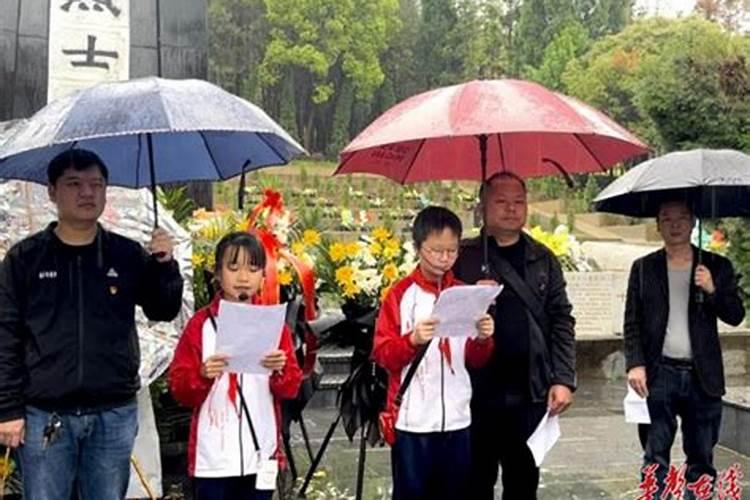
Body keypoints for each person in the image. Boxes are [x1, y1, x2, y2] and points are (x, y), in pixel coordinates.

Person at [0, 148, 184, 500]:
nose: (87, 193)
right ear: (53, 192)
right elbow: (5, 336)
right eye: (74, 183)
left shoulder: (127, 255)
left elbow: (163, 309)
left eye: (96, 184)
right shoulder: (25, 259)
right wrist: (7, 409)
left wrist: (164, 266)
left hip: (112, 413)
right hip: (45, 415)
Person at [453, 172, 576, 500]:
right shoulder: (461, 257)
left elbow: (561, 319)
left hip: (529, 393)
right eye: (501, 201)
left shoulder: (543, 258)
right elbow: (440, 318)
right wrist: (469, 297)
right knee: (473, 484)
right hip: (473, 396)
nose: (511, 209)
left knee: (522, 485)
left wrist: (563, 378)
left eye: (519, 202)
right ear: (483, 205)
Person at [372, 206, 495, 500]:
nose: (444, 259)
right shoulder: (401, 295)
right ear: (417, 248)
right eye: (436, 250)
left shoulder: (464, 294)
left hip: (457, 417)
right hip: (413, 420)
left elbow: (476, 360)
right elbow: (382, 354)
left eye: (451, 251)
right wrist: (411, 340)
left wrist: (482, 338)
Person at [169, 231, 302, 500]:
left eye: (253, 269)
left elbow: (290, 389)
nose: (243, 278)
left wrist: (280, 369)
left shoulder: (273, 325)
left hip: (259, 453)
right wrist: (202, 375)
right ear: (217, 274)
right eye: (233, 268)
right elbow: (180, 390)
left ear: (264, 276)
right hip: (213, 458)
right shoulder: (201, 325)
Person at [624, 199, 744, 495]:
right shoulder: (643, 268)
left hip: (702, 377)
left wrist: (713, 290)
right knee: (655, 458)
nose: (675, 225)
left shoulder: (716, 265)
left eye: (681, 218)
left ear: (692, 222)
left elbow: (736, 315)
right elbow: (632, 321)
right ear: (658, 225)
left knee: (701, 458)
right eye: (667, 218)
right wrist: (635, 364)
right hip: (658, 372)